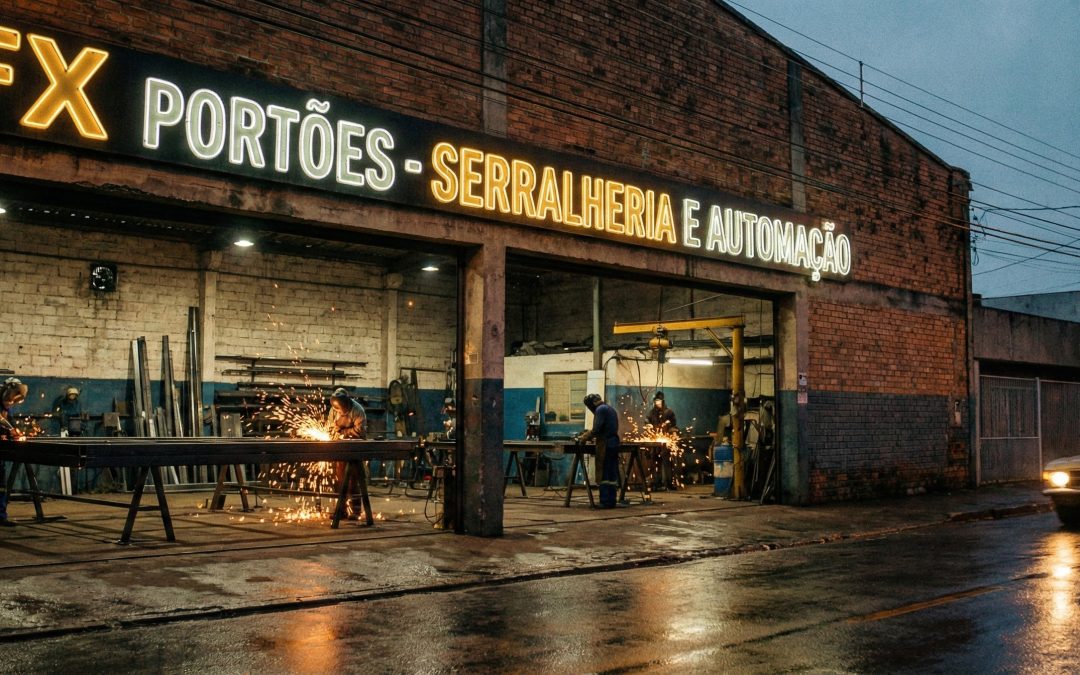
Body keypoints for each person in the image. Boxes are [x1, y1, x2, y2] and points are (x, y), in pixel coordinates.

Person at [327, 388, 366, 518]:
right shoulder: (334, 410)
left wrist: (343, 432)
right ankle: (341, 510)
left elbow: (360, 431)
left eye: (341, 410)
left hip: (355, 447)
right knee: (339, 480)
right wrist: (333, 432)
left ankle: (355, 511)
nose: (339, 412)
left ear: (347, 404)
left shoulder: (358, 410)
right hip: (340, 447)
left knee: (353, 480)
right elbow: (331, 427)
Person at [577, 393, 620, 508]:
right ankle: (611, 500)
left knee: (604, 472)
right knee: (611, 473)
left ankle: (604, 501)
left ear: (592, 403)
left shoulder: (600, 410)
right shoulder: (610, 409)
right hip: (614, 443)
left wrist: (584, 437)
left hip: (606, 445)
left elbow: (596, 430)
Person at [0, 377, 29, 527]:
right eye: (8, 401)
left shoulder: (8, 405)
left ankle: (1, 516)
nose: (10, 404)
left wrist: (16, 432)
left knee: (1, 484)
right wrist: (10, 429)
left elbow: (9, 421)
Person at [646, 390, 678, 489]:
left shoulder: (669, 412)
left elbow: (674, 424)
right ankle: (657, 483)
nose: (657, 403)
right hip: (655, 440)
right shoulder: (652, 412)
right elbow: (647, 419)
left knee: (667, 462)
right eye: (656, 401)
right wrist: (648, 424)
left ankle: (669, 483)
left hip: (666, 440)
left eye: (659, 401)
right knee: (655, 462)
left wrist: (670, 426)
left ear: (663, 401)